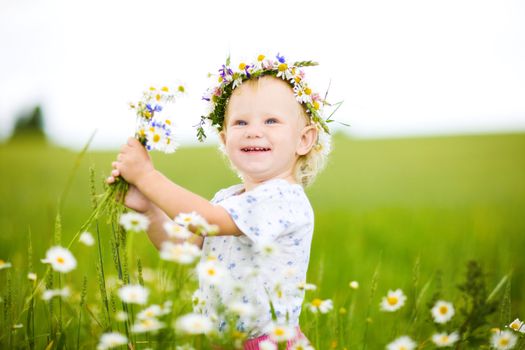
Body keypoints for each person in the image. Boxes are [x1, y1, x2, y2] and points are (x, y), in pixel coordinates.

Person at [106, 54, 332, 349]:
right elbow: (180, 248)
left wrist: (147, 176)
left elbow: (208, 220)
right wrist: (150, 210)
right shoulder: (228, 199)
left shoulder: (283, 198)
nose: (254, 130)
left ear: (304, 140)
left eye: (271, 120)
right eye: (240, 121)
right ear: (225, 141)